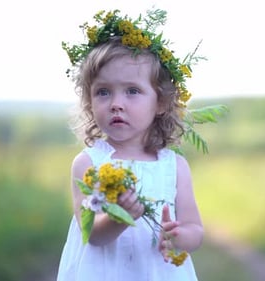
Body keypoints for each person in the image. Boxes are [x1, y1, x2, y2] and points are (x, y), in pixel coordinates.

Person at [57, 9, 204, 281]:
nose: (116, 103)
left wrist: (180, 237)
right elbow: (92, 234)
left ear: (160, 102)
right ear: (90, 102)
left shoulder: (174, 166)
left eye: (132, 91)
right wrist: (118, 217)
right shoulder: (89, 163)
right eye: (103, 92)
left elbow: (195, 229)